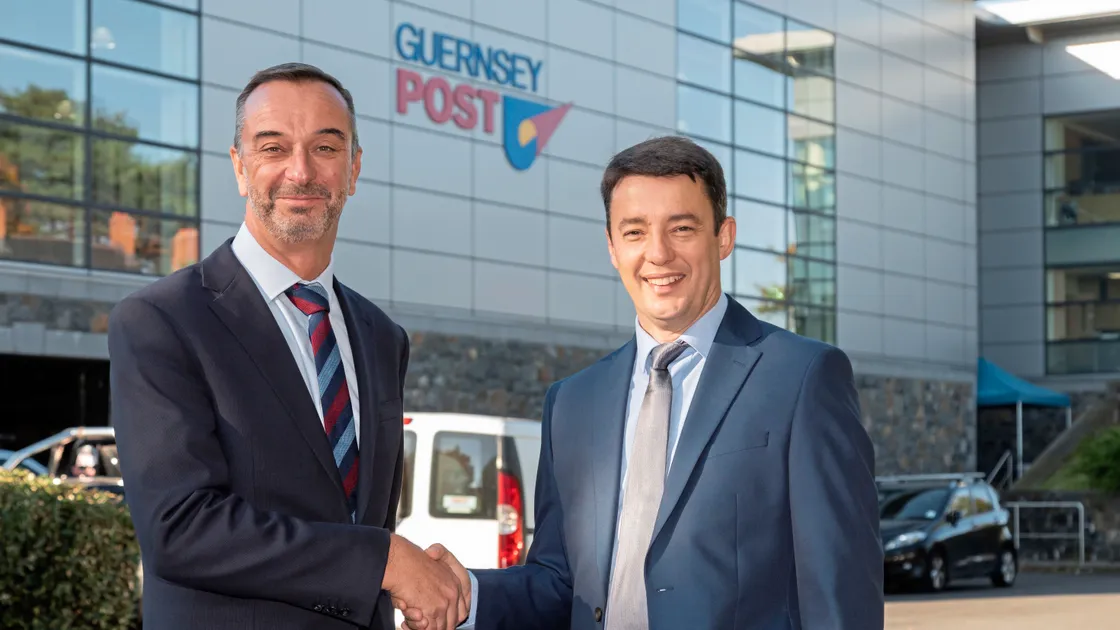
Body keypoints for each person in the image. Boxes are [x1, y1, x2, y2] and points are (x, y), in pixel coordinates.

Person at [406, 136, 884, 629]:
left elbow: (840, 591)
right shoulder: (572, 403)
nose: (658, 253)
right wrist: (468, 593)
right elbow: (560, 584)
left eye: (681, 228)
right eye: (634, 232)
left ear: (723, 237)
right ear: (612, 247)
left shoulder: (802, 378)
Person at [108, 63, 466, 630]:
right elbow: (179, 528)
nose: (300, 171)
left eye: (326, 147)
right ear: (240, 167)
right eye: (273, 147)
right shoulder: (161, 321)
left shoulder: (381, 338)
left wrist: (408, 572)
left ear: (353, 168)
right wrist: (386, 561)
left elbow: (356, 516)